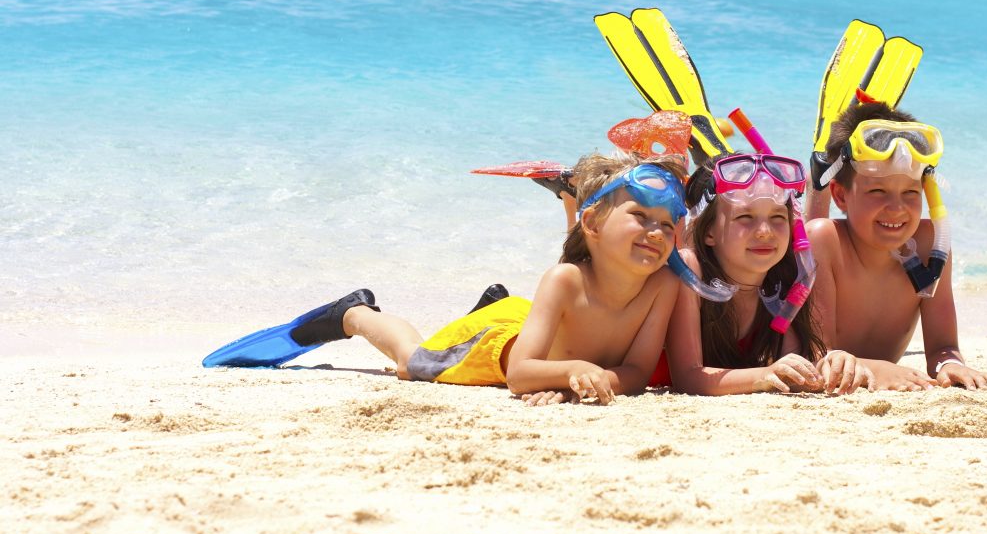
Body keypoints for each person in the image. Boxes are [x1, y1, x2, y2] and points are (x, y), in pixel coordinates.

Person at [205, 152, 688, 407]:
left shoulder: (663, 287)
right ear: (594, 224)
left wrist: (588, 381)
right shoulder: (563, 279)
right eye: (640, 215)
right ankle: (354, 313)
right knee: (412, 363)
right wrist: (569, 372)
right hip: (493, 347)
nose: (656, 231)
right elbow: (520, 376)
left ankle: (489, 301)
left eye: (667, 223)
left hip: (530, 324)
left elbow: (638, 372)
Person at [806, 101, 987, 391]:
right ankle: (812, 185)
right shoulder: (825, 242)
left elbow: (943, 347)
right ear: (840, 197)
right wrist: (876, 369)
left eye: (910, 192)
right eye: (878, 191)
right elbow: (818, 354)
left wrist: (950, 364)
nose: (896, 208)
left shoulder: (930, 245)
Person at [653, 153, 866, 397]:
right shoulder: (692, 274)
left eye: (777, 217)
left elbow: (794, 363)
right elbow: (688, 378)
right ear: (708, 231)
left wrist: (833, 362)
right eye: (745, 217)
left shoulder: (781, 282)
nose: (765, 232)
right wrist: (763, 375)